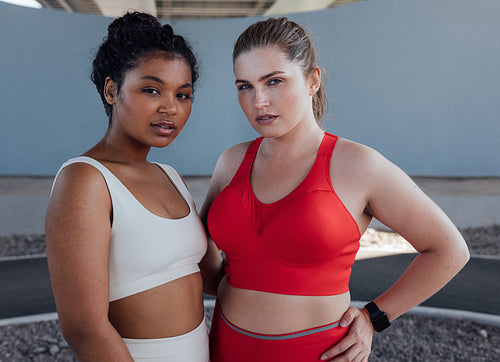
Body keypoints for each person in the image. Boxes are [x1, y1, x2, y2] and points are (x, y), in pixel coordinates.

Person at [199, 17, 470, 361]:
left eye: (274, 81)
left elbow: (448, 249)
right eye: (244, 86)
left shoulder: (358, 165)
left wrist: (374, 317)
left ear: (313, 81)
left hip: (318, 353)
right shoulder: (231, 161)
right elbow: (201, 257)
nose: (259, 101)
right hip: (226, 347)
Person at [45, 12, 209, 361]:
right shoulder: (85, 179)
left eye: (183, 94)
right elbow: (83, 327)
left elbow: (212, 276)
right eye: (151, 89)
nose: (170, 107)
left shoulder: (170, 176)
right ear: (111, 90)